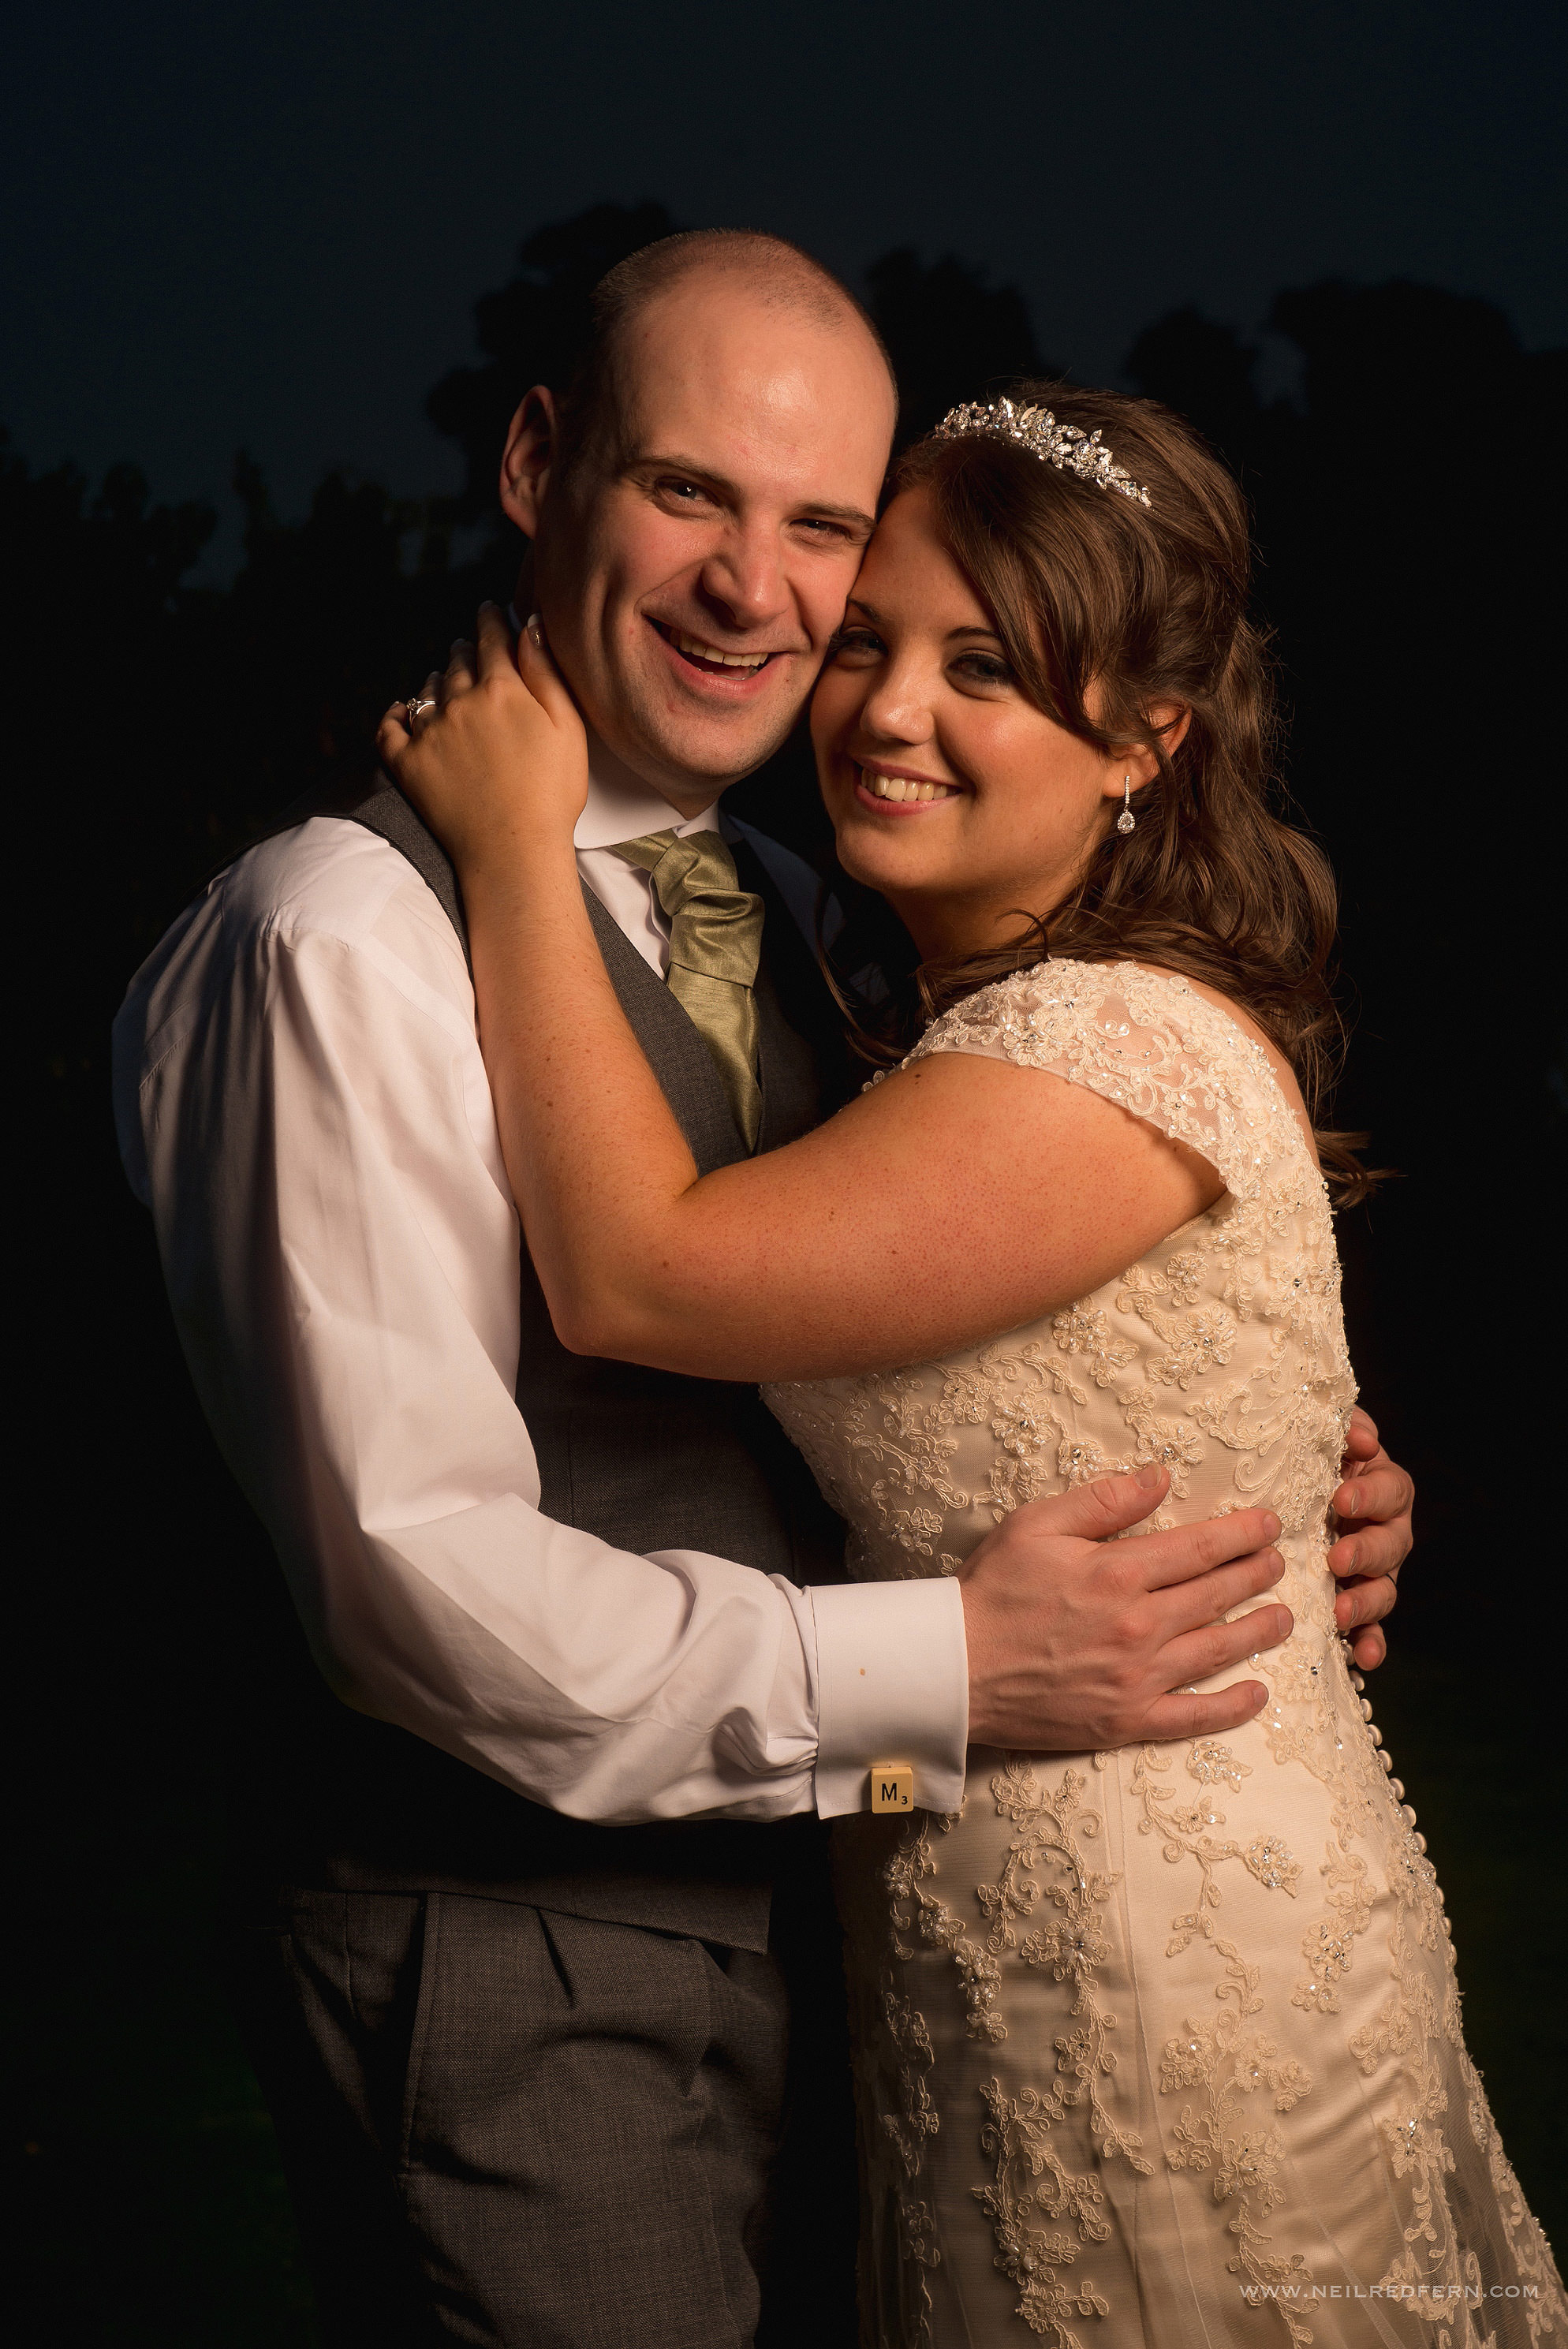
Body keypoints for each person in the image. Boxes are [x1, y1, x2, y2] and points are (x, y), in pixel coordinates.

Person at [113, 232, 1414, 2349]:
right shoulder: (338, 937)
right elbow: (408, 1577)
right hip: (524, 1966)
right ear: (542, 463)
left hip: (871, 1934)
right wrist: (949, 1662)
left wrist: (1276, 1478)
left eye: (819, 524)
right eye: (689, 493)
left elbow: (946, 1325)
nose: (757, 587)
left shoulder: (823, 915)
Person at [382, 356, 1562, 2344]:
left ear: (1146, 741)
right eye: (867, 646)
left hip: (1164, 1960)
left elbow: (637, 1278)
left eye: (988, 667)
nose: (888, 713)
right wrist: (1316, 1486)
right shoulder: (938, 1032)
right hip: (976, 1929)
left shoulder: (1103, 1045)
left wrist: (513, 844)